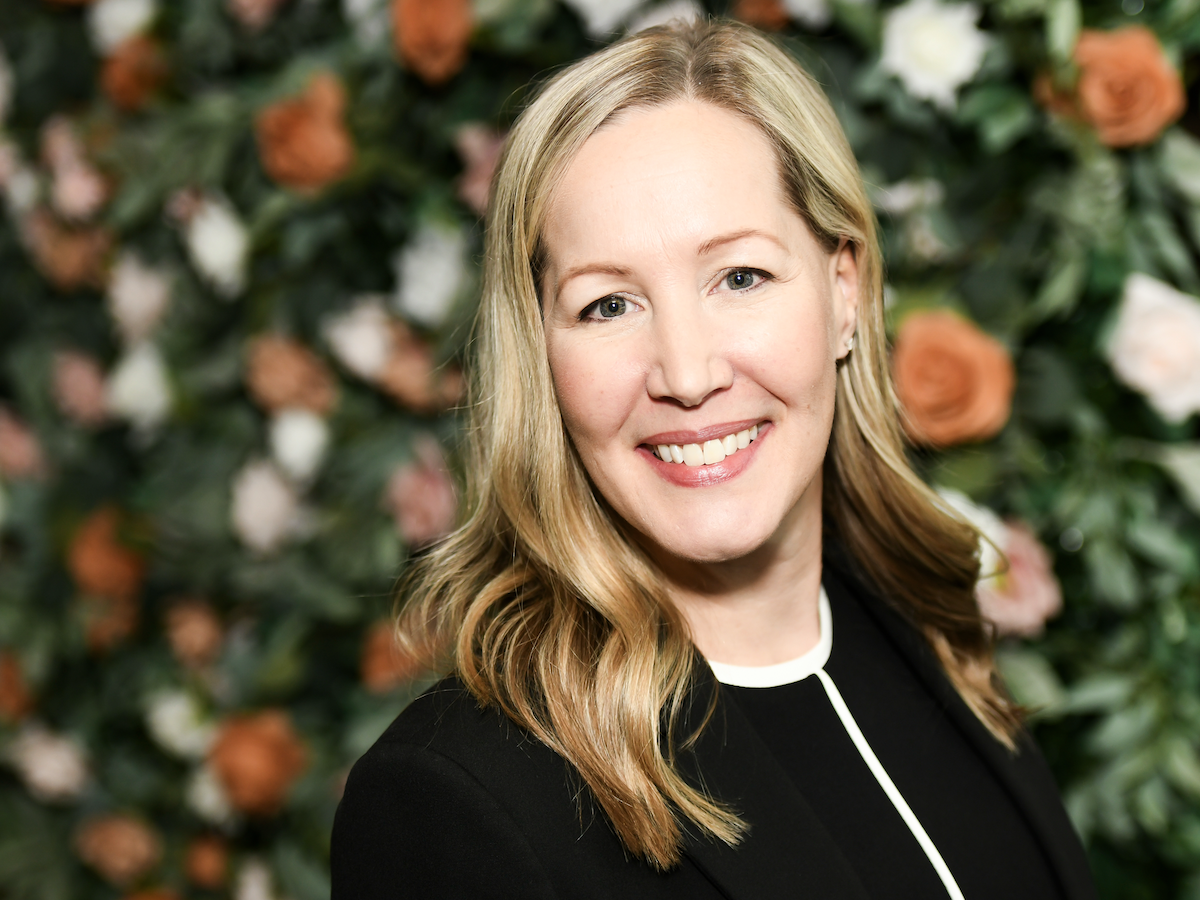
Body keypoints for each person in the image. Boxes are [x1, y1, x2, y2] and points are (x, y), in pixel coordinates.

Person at [331, 18, 1096, 900]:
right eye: (608, 304)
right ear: (540, 356)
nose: (688, 376)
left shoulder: (933, 631)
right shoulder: (454, 801)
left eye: (739, 278)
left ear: (843, 294)